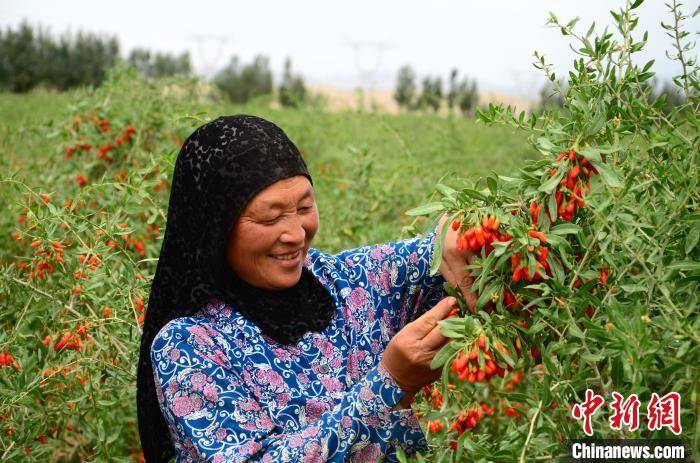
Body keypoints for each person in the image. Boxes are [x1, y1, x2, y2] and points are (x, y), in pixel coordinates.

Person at [136, 115, 475, 463]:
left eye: (304, 207)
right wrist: (389, 384)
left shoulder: (347, 281)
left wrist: (462, 233)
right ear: (215, 228)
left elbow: (440, 250)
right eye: (270, 218)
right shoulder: (189, 345)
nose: (296, 233)